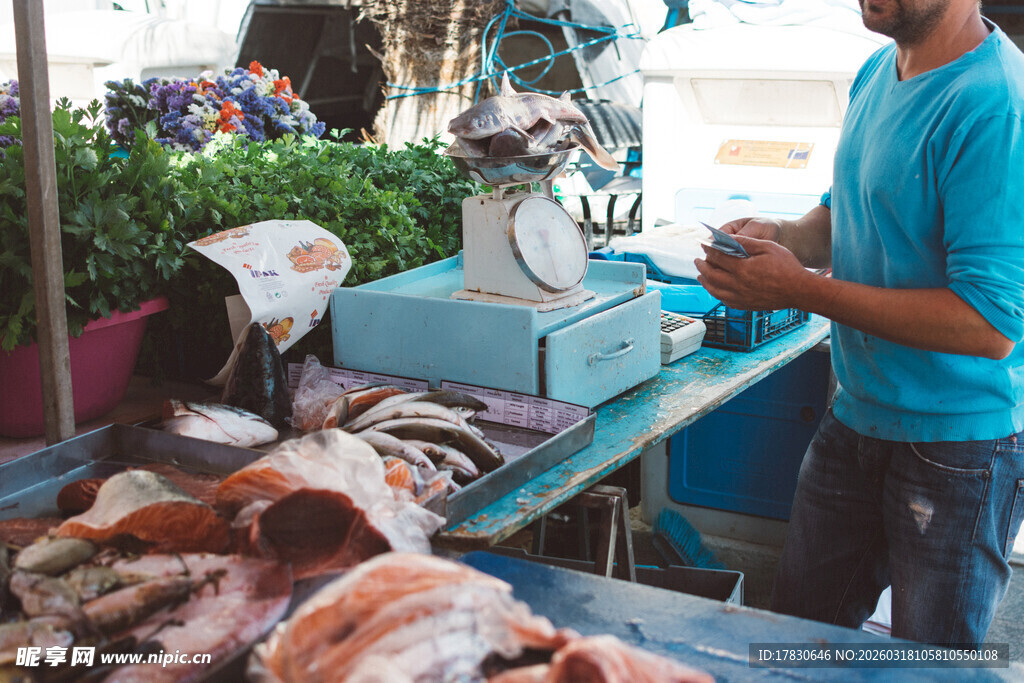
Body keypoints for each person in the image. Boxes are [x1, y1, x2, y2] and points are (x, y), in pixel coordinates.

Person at [694, 0, 1024, 648]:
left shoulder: (996, 105)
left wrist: (800, 289)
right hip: (856, 417)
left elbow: (990, 323)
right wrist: (780, 235)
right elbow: (843, 215)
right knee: (797, 643)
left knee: (928, 662)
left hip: (957, 447)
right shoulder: (876, 71)